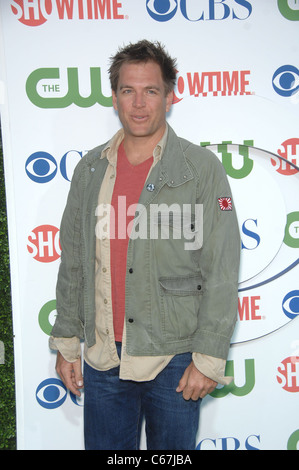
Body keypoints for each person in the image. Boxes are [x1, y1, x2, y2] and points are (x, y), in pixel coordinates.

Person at [50, 40, 240, 450]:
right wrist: (67, 343)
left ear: (170, 96)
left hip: (174, 359)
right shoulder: (89, 169)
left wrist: (208, 358)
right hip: (104, 358)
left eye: (151, 91)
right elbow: (74, 263)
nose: (139, 104)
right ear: (114, 95)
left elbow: (221, 269)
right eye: (128, 90)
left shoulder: (200, 169)